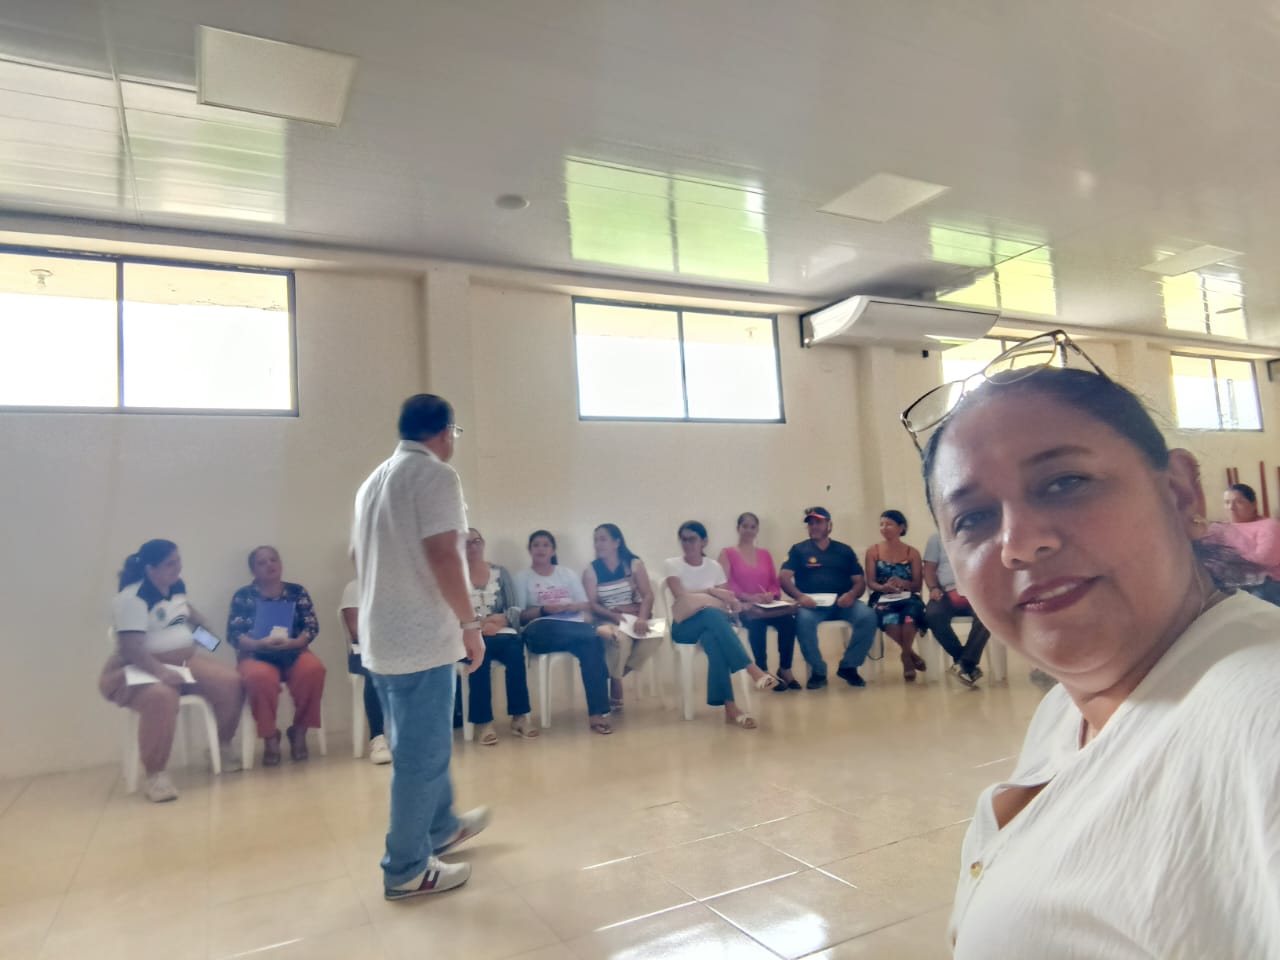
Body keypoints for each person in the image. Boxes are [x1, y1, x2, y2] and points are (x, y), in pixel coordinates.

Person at [901, 331, 1280, 957]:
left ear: (1179, 493)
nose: (1019, 543)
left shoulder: (1262, 711)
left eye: (1064, 482)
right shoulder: (1068, 707)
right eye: (974, 518)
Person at [351, 394, 489, 901]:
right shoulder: (435, 475)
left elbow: (357, 556)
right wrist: (470, 624)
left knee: (424, 744)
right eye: (455, 434)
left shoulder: (374, 480)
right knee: (421, 756)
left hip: (382, 636)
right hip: (420, 640)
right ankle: (406, 868)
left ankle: (441, 827)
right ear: (446, 432)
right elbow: (444, 555)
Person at [99, 539, 244, 803]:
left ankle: (221, 746)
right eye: (170, 563)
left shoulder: (176, 586)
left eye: (178, 561)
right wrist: (162, 673)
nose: (178, 567)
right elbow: (131, 649)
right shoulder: (132, 599)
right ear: (150, 569)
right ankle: (156, 776)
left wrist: (209, 639)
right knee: (161, 697)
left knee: (231, 681)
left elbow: (183, 616)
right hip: (139, 666)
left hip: (185, 660)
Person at [665, 521, 778, 729]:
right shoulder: (672, 565)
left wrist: (711, 597)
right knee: (710, 613)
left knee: (714, 640)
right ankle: (753, 669)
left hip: (713, 626)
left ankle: (731, 710)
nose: (687, 544)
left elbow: (725, 600)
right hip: (685, 626)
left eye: (692, 539)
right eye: (683, 539)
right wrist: (710, 592)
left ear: (704, 541)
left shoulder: (714, 567)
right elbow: (681, 597)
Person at [226, 546, 325, 765]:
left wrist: (295, 642)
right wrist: (258, 643)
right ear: (253, 570)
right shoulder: (243, 596)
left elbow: (311, 626)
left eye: (273, 560)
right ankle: (270, 737)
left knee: (313, 670)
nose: (269, 565)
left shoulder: (297, 591)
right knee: (259, 678)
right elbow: (234, 635)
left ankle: (299, 731)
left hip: (293, 650)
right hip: (256, 654)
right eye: (262, 562)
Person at [515, 529, 613, 734]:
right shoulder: (523, 577)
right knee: (553, 627)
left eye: (545, 545)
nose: (541, 549)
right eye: (536, 545)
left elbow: (585, 605)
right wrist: (543, 610)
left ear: (553, 550)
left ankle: (597, 715)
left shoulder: (566, 574)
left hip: (572, 627)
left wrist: (569, 607)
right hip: (541, 631)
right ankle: (594, 630)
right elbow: (519, 616)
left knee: (592, 646)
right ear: (530, 550)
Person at [779, 507, 878, 689]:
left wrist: (852, 595)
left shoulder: (844, 550)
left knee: (868, 616)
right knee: (803, 620)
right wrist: (800, 597)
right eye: (811, 523)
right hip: (812, 605)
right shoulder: (799, 550)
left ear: (829, 525)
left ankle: (849, 666)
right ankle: (818, 671)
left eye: (819, 522)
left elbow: (859, 582)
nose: (814, 526)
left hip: (843, 603)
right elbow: (784, 578)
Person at [464, 528, 538, 744]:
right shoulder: (454, 577)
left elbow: (514, 608)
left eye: (476, 541)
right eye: (466, 543)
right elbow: (449, 614)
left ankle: (519, 717)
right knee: (479, 657)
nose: (472, 547)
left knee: (515, 649)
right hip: (468, 636)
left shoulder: (500, 572)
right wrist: (479, 625)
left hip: (501, 632)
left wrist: (499, 622)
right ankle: (483, 722)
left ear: (483, 544)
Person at [718, 511, 799, 690]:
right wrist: (749, 597)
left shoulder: (765, 554)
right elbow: (725, 584)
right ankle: (763, 671)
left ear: (757, 530)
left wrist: (770, 595)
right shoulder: (727, 553)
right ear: (738, 528)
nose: (748, 530)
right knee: (757, 624)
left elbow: (773, 582)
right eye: (745, 526)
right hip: (744, 607)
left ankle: (785, 669)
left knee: (788, 622)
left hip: (766, 606)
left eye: (752, 527)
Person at [583, 523, 659, 709]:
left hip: (634, 615)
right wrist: (614, 616)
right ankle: (616, 684)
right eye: (595, 540)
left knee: (658, 633)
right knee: (620, 639)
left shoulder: (633, 564)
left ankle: (615, 675)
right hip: (607, 618)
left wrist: (642, 618)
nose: (598, 544)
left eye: (603, 539)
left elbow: (647, 595)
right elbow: (592, 604)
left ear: (616, 542)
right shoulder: (591, 570)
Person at [864, 510, 928, 682]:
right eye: (881, 524)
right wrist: (883, 587)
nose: (884, 528)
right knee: (889, 617)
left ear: (902, 528)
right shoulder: (873, 551)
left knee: (909, 616)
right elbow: (871, 582)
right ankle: (910, 654)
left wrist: (903, 583)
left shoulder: (912, 553)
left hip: (908, 596)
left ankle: (905, 656)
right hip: (882, 597)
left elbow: (917, 585)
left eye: (889, 524)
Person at [922, 531, 991, 687]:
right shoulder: (936, 539)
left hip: (974, 591)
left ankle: (964, 663)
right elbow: (929, 569)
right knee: (933, 615)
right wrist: (933, 588)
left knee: (988, 615)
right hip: (945, 591)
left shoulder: (979, 534)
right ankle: (965, 662)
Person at [340, 579, 391, 764]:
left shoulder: (400, 584)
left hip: (397, 649)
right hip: (365, 651)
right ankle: (378, 738)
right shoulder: (354, 587)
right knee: (375, 669)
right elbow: (356, 631)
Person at [1211, 482, 1280, 605]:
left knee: (1255, 601)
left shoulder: (1269, 526)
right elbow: (1208, 559)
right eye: (1227, 502)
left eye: (1239, 502)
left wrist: (1226, 558)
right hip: (1227, 583)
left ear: (1253, 504)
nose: (1231, 507)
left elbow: (1264, 560)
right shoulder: (1217, 528)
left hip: (1264, 583)